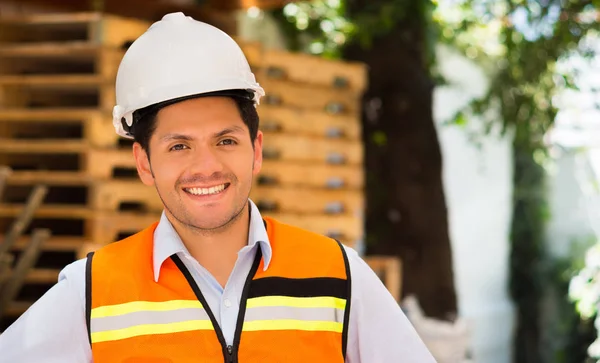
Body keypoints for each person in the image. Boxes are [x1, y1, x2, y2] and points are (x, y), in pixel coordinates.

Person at [0, 12, 436, 363]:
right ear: (144, 163)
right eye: (179, 146)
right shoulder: (90, 291)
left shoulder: (338, 276)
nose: (205, 166)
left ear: (256, 150)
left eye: (225, 141)